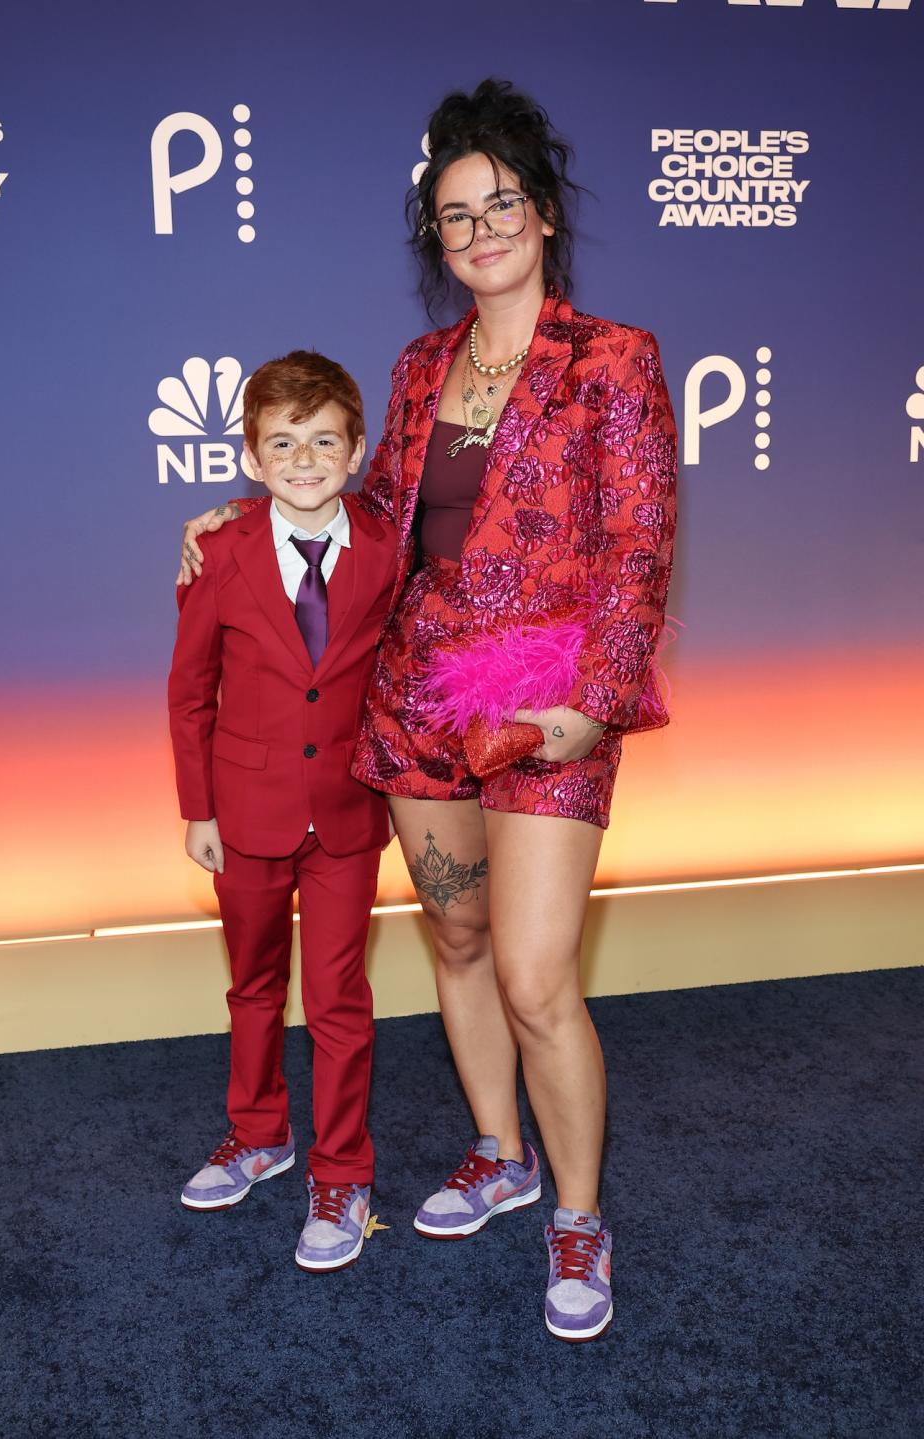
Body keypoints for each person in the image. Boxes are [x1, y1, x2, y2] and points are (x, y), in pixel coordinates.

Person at [179, 79, 677, 1340]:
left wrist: (592, 705)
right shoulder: (416, 369)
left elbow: (639, 552)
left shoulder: (614, 359)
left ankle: (577, 1212)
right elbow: (370, 517)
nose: (481, 230)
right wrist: (239, 526)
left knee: (532, 971)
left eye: (501, 202)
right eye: (455, 217)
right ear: (437, 242)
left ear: (545, 214)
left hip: (548, 716)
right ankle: (499, 1151)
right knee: (454, 948)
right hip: (417, 706)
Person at [168, 351, 397, 1272]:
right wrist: (198, 809)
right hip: (245, 812)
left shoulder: (387, 547)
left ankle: (344, 1170)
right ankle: (258, 1133)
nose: (305, 459)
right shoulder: (216, 551)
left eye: (324, 441)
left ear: (356, 449)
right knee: (254, 985)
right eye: (283, 443)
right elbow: (189, 694)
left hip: (346, 814)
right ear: (253, 459)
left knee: (341, 999)